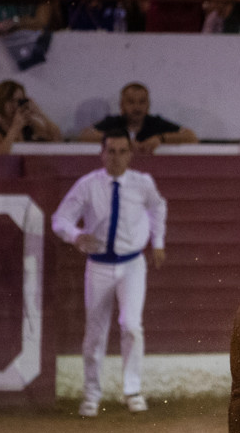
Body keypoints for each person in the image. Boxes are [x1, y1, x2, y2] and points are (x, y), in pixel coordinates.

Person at [52, 129, 168, 417]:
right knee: (95, 330)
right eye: (111, 151)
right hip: (99, 264)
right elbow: (60, 219)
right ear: (102, 153)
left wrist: (158, 242)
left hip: (132, 263)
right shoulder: (88, 185)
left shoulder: (142, 183)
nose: (116, 158)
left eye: (121, 151)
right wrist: (76, 235)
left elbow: (158, 208)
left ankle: (132, 390)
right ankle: (91, 393)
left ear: (130, 154)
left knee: (131, 325)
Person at [79, 82, 199, 151]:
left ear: (148, 105)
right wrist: (120, 142)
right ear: (122, 105)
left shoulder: (155, 123)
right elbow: (84, 136)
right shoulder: (114, 122)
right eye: (131, 102)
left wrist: (161, 139)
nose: (137, 107)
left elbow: (191, 137)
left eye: (142, 102)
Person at [0, 79, 63, 153]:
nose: (15, 105)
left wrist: (40, 114)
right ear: (0, 102)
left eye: (19, 101)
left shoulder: (31, 126)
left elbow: (57, 140)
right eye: (11, 101)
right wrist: (15, 128)